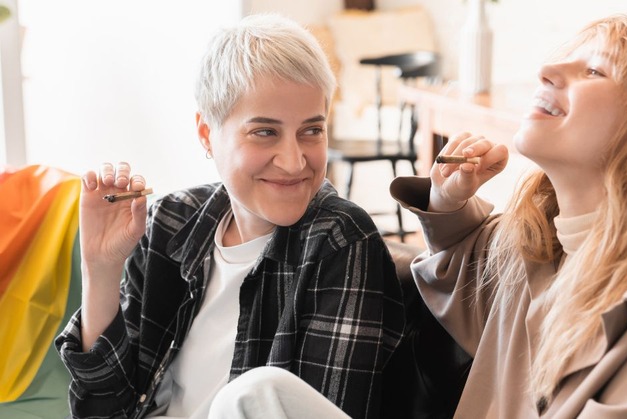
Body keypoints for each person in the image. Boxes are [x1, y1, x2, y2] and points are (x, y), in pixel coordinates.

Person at [389, 15, 627, 418]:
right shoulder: (539, 248)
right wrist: (449, 203)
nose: (546, 71)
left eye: (594, 70)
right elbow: (467, 277)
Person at [55, 13, 404, 419]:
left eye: (312, 130)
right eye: (265, 132)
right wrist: (100, 271)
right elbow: (101, 411)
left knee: (257, 391)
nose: (294, 162)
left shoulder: (341, 240)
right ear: (207, 134)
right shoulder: (171, 221)